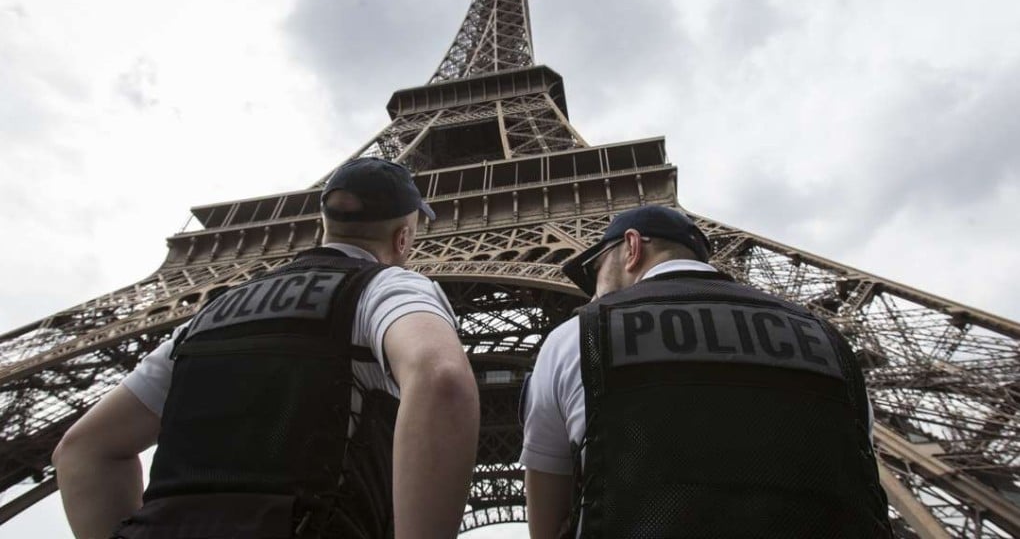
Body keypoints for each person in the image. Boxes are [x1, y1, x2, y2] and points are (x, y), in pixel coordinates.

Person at [53, 157, 480, 539]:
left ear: (323, 223)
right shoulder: (385, 286)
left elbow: (82, 451)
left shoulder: (211, 313)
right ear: (403, 239)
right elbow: (440, 378)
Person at [520, 205, 892, 538]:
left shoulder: (577, 337)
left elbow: (549, 526)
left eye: (596, 270)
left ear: (632, 248)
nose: (592, 293)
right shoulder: (828, 342)